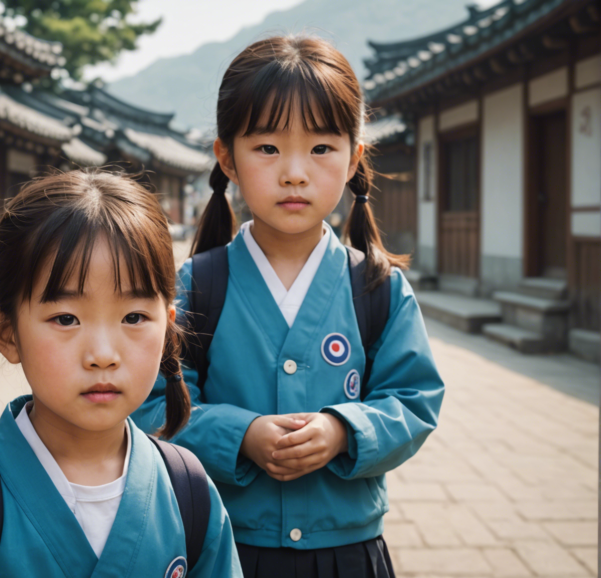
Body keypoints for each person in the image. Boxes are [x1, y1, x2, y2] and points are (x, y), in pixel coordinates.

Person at [132, 36, 445, 578]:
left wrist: (345, 430)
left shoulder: (378, 289)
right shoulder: (194, 288)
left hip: (349, 555)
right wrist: (240, 436)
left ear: (354, 158)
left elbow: (414, 401)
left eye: (321, 148)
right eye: (268, 148)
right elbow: (150, 404)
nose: (295, 172)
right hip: (223, 548)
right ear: (226, 156)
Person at [0, 170, 242, 578]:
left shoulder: (189, 494)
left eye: (134, 317)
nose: (103, 355)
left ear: (167, 327)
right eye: (67, 318)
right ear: (7, 332)